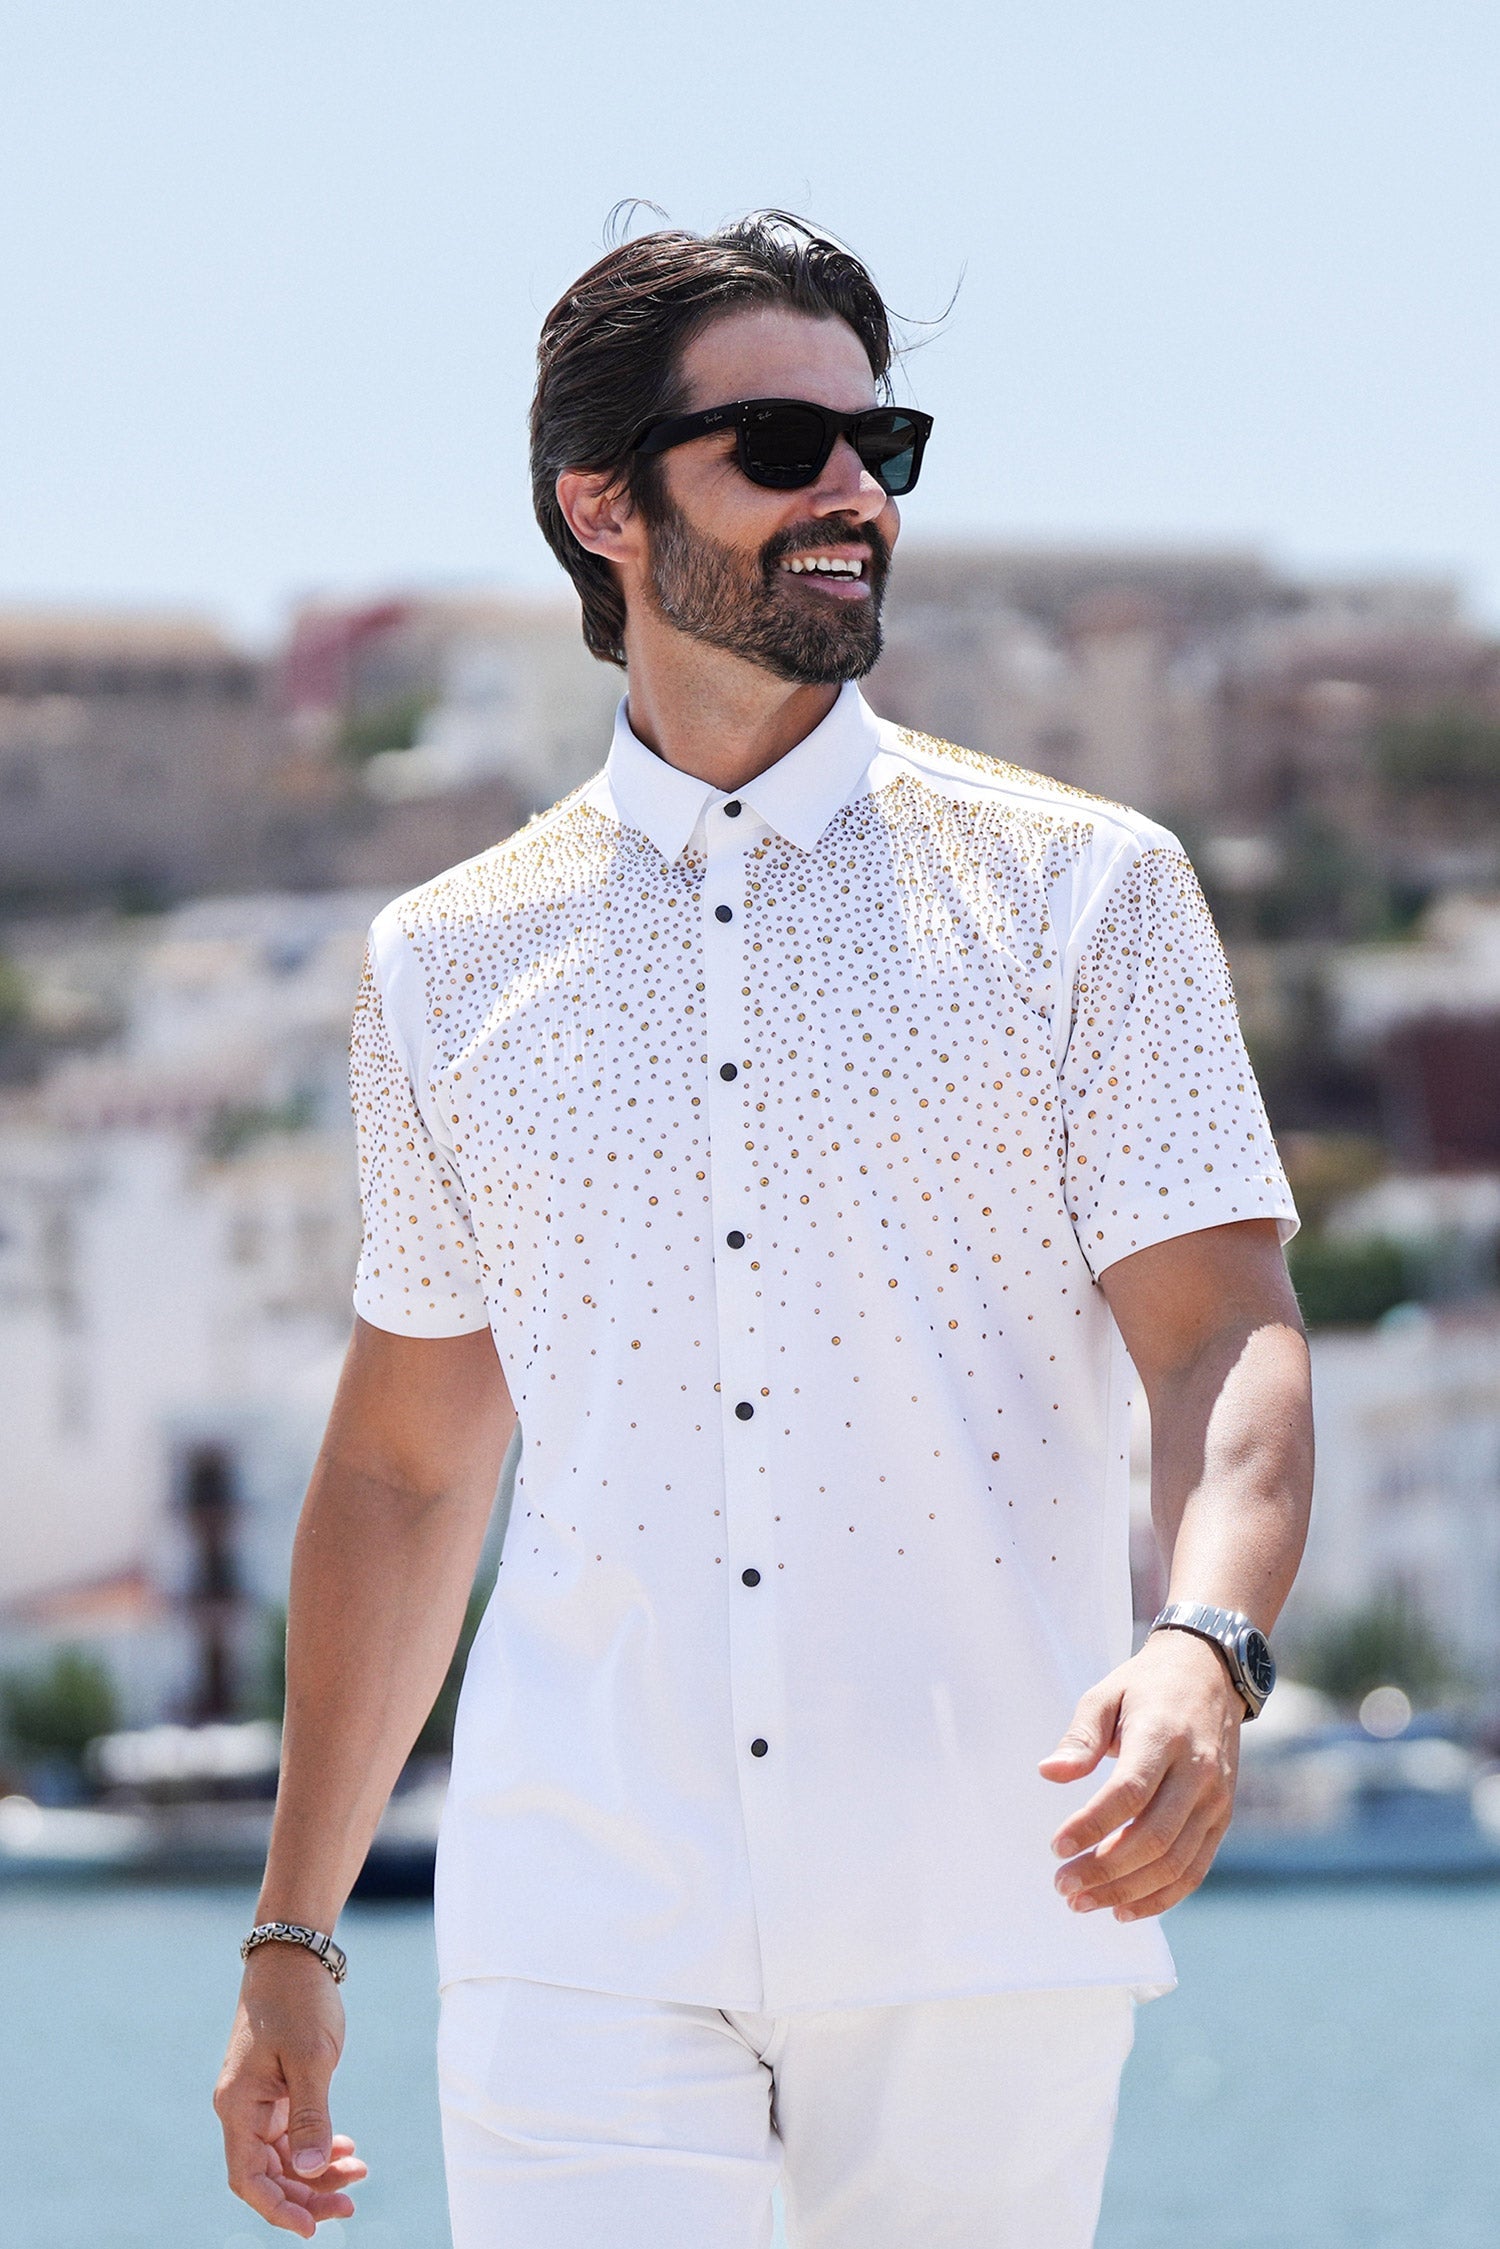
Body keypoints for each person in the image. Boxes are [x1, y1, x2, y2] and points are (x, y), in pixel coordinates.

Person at [215, 211, 1312, 2248]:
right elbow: (402, 1470)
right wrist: (295, 1929)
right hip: (575, 1930)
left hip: (990, 1900)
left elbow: (1221, 1335)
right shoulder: (444, 963)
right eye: (784, 446)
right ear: (602, 507)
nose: (852, 496)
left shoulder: (1088, 892)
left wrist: (1207, 1641)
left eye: (879, 447)